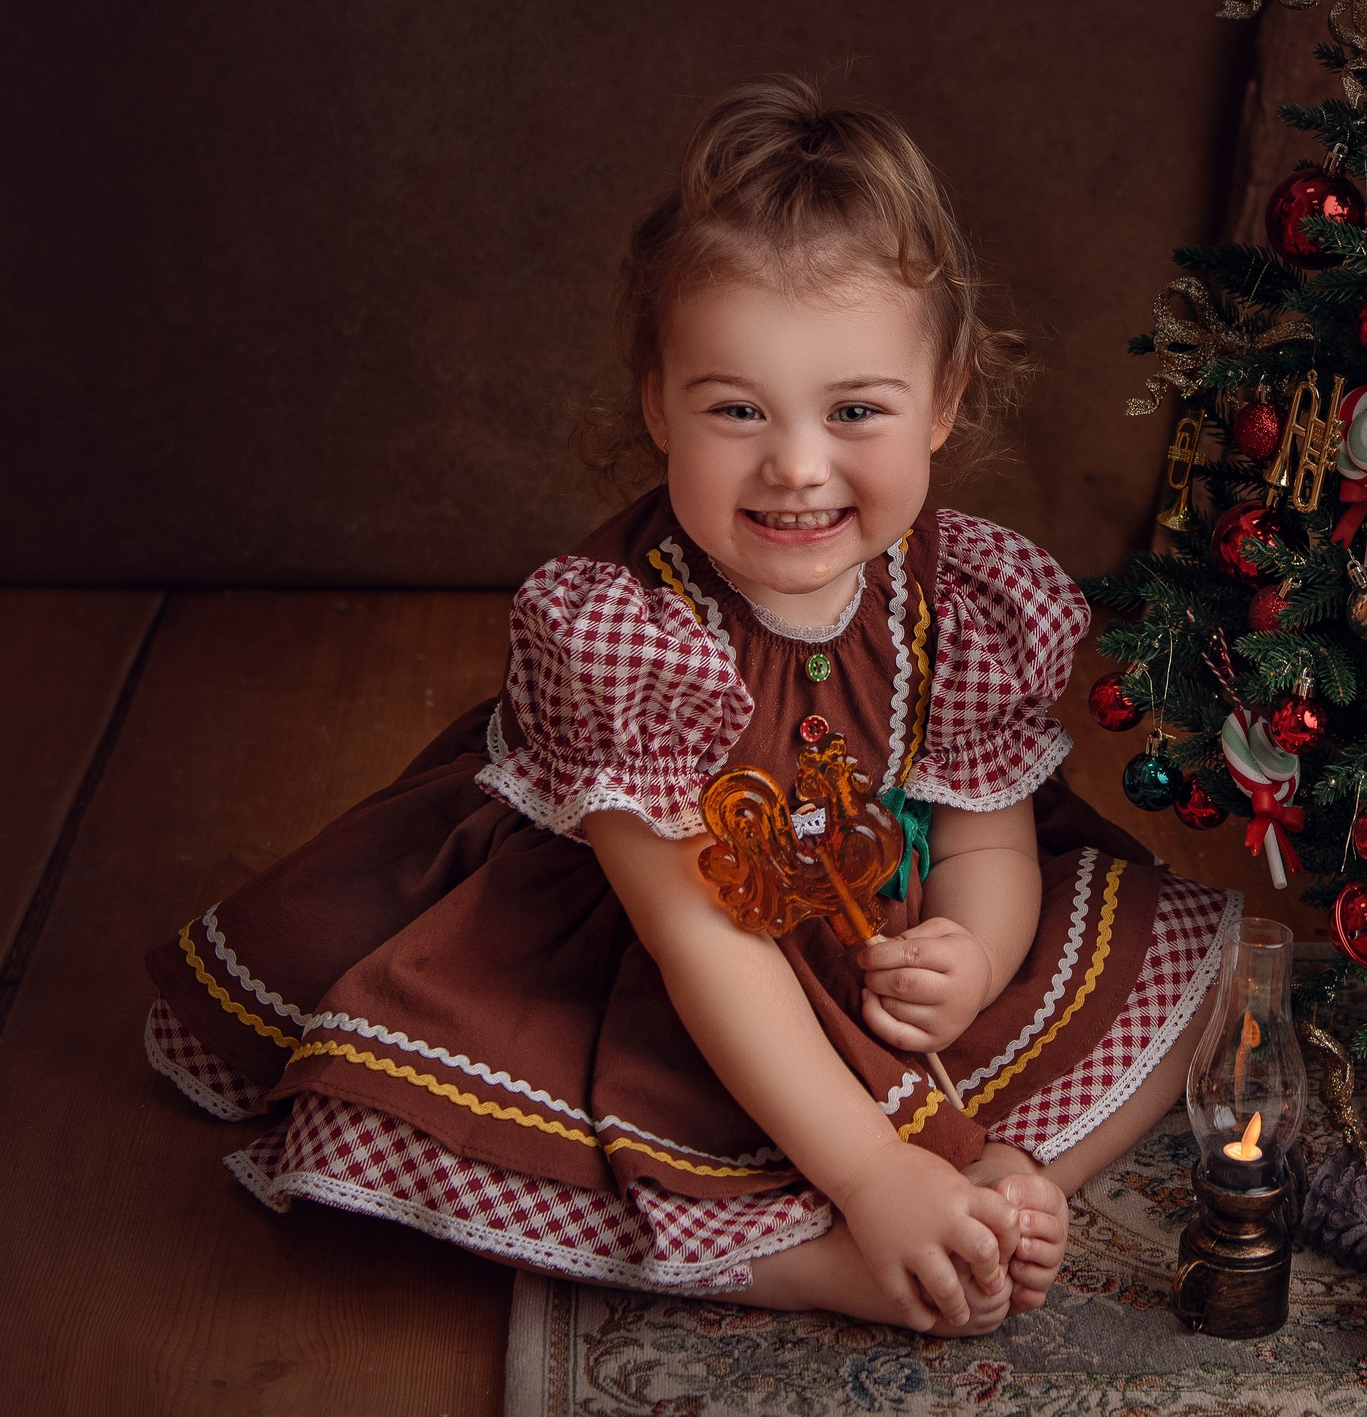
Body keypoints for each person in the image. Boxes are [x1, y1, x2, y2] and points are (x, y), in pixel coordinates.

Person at [142, 76, 1238, 1335]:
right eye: (735, 409)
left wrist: (974, 951)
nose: (796, 465)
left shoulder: (966, 597)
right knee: (474, 1118)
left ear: (943, 400)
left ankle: (998, 1177)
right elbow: (703, 942)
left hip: (872, 928)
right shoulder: (620, 631)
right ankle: (831, 1252)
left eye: (856, 410)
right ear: (656, 399)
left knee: (1182, 953)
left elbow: (985, 831)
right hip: (647, 956)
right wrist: (868, 1172)